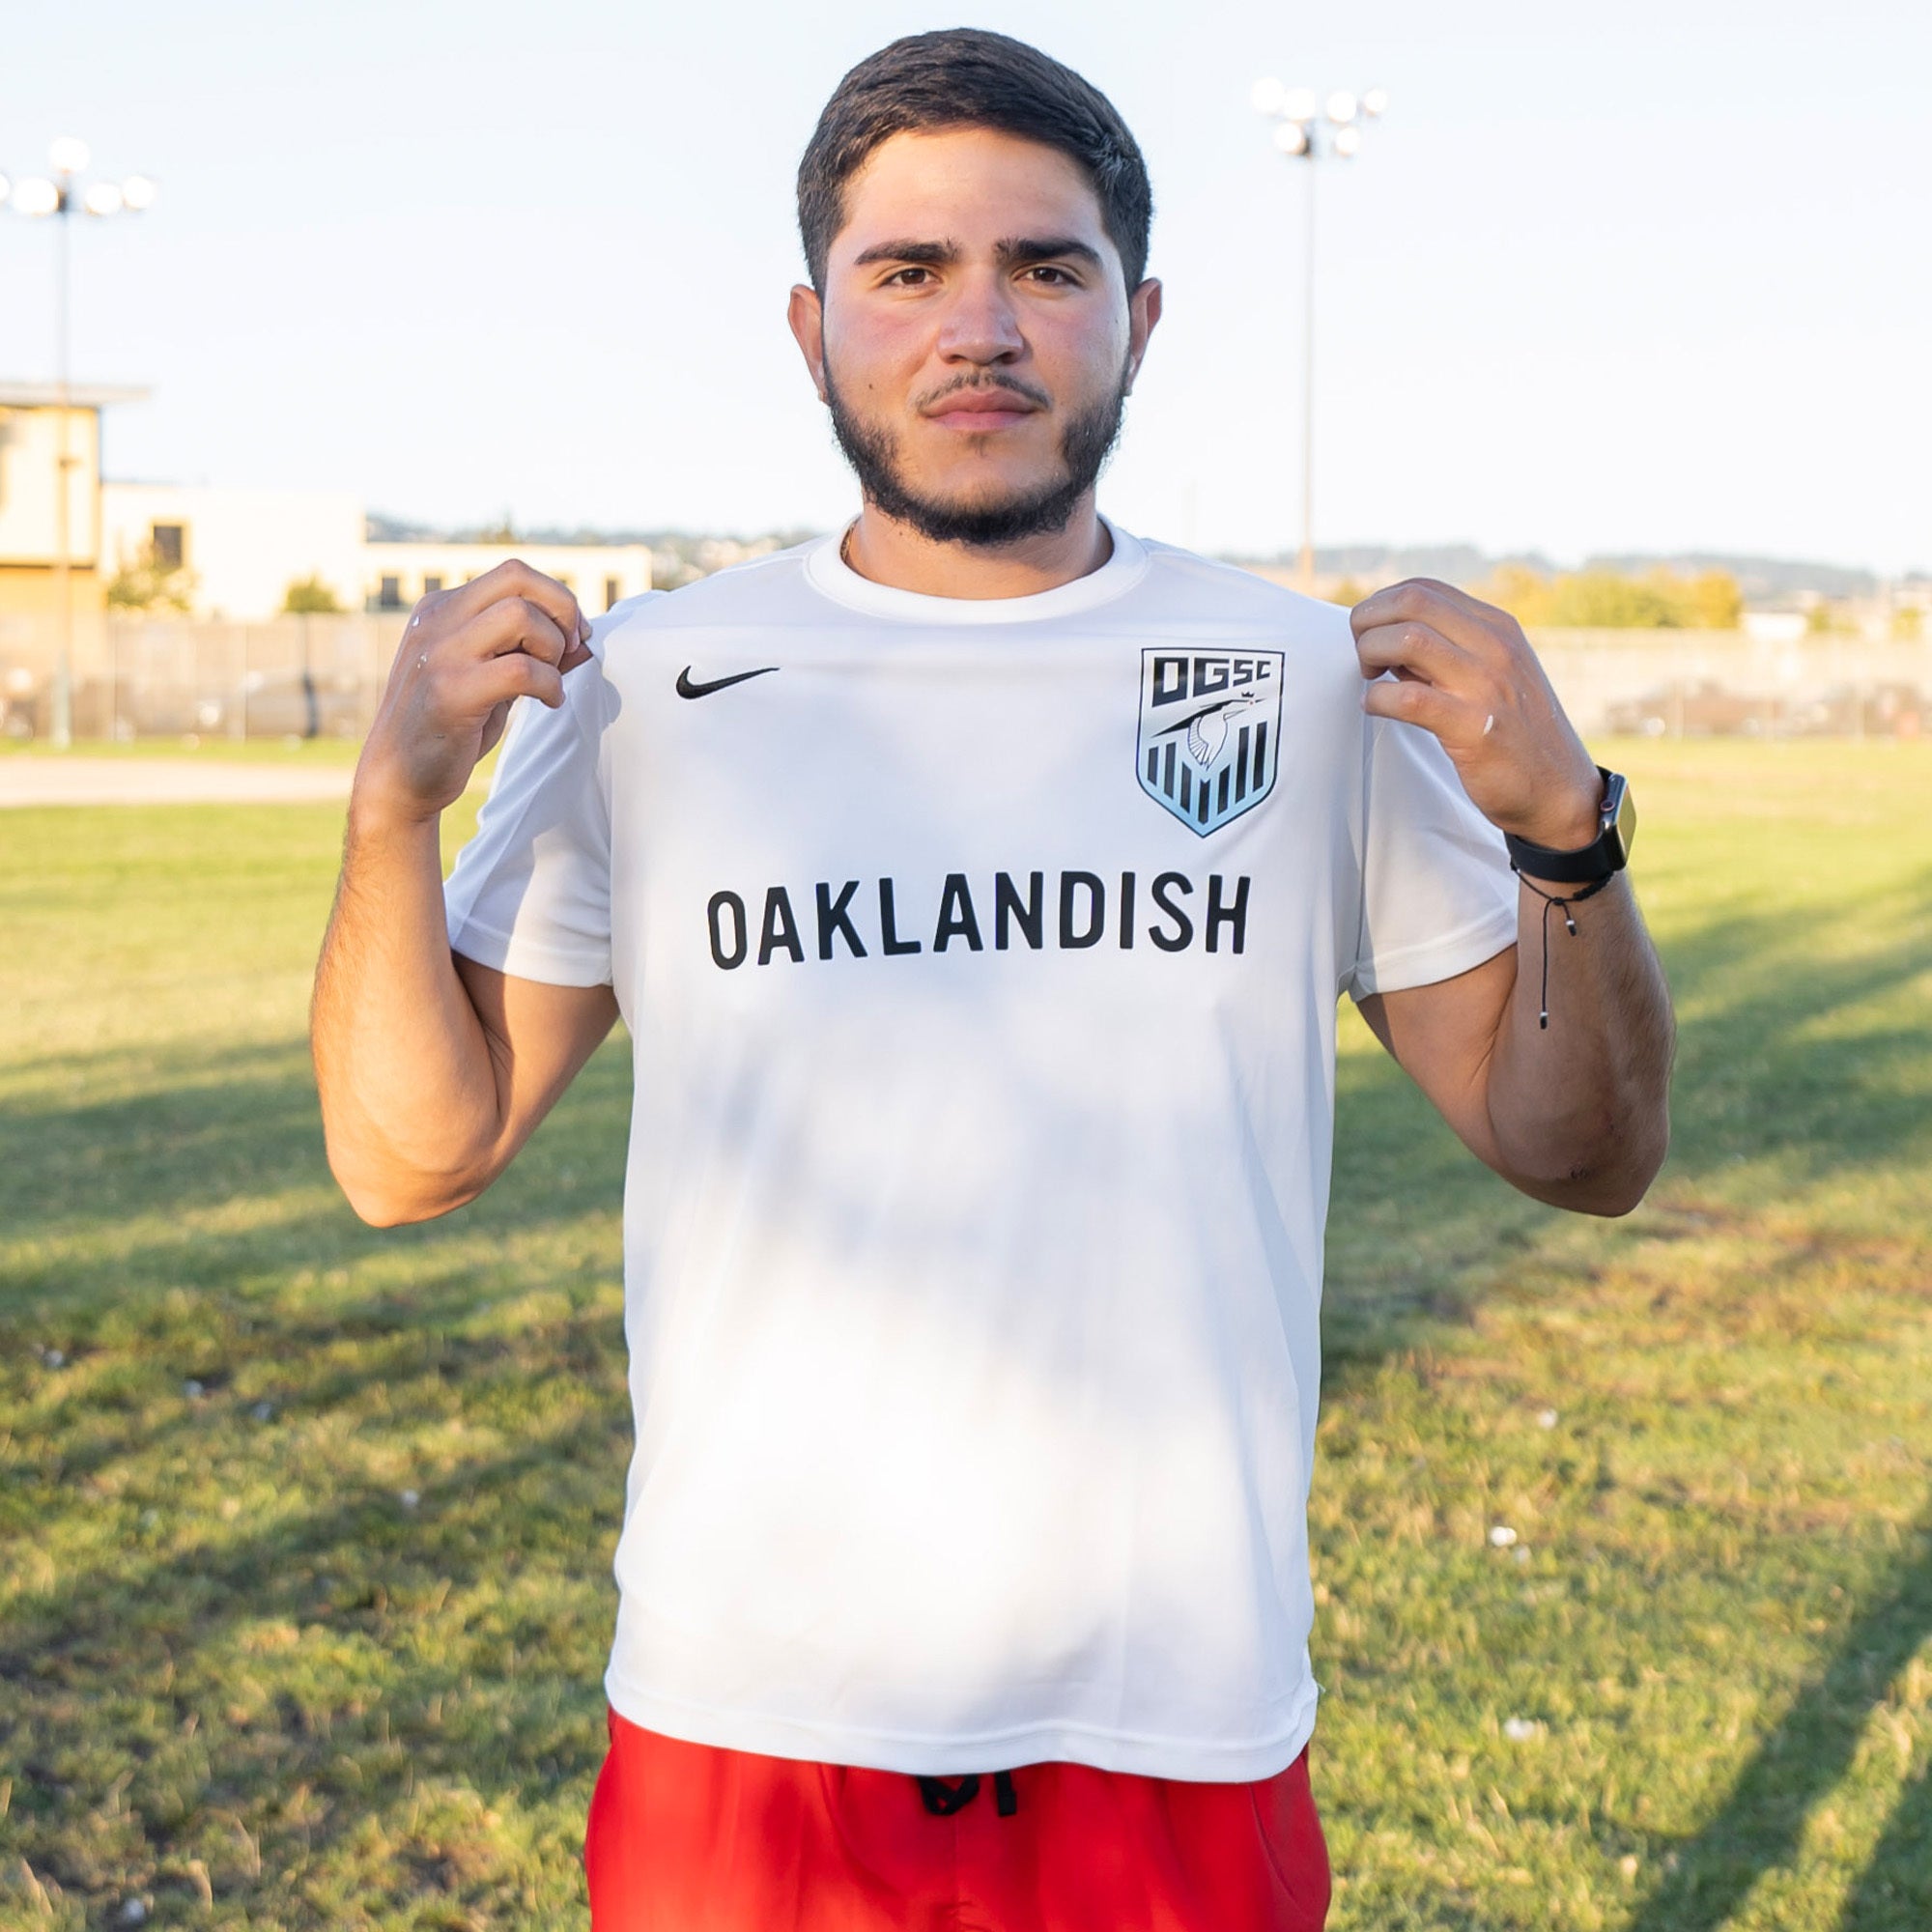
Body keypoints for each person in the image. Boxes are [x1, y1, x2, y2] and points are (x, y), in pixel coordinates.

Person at [311, 27, 1674, 1932]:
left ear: (1140, 318)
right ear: (810, 329)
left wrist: (1564, 838)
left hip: (1175, 1727)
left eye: (1046, 266)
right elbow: (407, 1156)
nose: (981, 325)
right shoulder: (648, 685)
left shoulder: (1293, 678)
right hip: (746, 1732)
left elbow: (1583, 1152)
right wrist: (391, 808)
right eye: (907, 270)